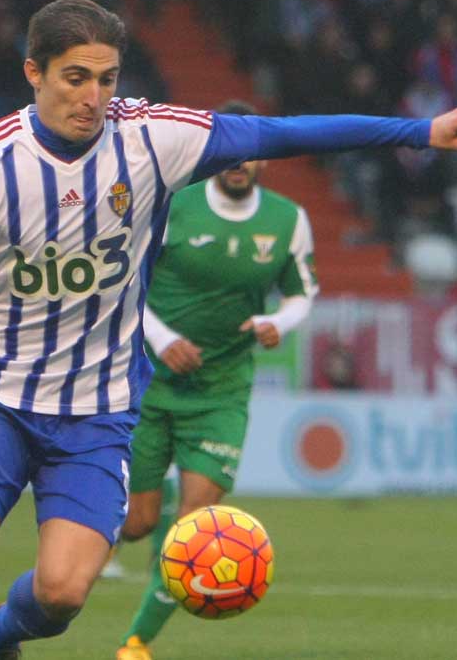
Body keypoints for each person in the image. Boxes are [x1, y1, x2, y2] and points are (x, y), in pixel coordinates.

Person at [0, 0, 457, 660]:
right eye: (75, 77)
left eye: (107, 78)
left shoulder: (154, 139)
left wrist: (418, 131)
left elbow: (285, 134)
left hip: (98, 413)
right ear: (34, 72)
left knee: (61, 593)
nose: (93, 96)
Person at [114, 100, 319, 660]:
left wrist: (278, 321)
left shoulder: (287, 220)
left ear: (262, 161)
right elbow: (125, 279)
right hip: (149, 384)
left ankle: (135, 642)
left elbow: (303, 293)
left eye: (247, 155)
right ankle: (83, 538)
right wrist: (161, 339)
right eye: (228, 153)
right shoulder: (173, 204)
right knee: (137, 523)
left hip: (222, 392)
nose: (237, 163)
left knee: (197, 528)